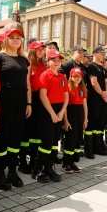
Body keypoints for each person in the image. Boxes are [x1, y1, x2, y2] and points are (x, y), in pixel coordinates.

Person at [0, 29, 32, 190]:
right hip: (3, 101)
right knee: (2, 137)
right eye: (12, 37)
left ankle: (12, 170)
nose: (15, 40)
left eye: (18, 38)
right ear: (6, 39)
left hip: (21, 103)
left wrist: (29, 103)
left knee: (16, 138)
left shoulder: (24, 60)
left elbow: (27, 83)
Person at [32, 49, 68, 183]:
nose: (57, 62)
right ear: (48, 61)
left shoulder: (63, 77)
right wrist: (52, 113)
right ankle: (38, 168)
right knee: (46, 141)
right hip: (48, 110)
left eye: (59, 60)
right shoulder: (45, 75)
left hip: (59, 110)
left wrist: (62, 112)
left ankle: (49, 166)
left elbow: (66, 96)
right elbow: (42, 96)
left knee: (55, 141)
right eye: (54, 60)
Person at [19, 39, 47, 174]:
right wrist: (28, 102)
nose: (41, 51)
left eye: (42, 49)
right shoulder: (28, 64)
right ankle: (23, 160)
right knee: (26, 131)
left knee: (37, 132)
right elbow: (27, 85)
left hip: (41, 99)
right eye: (38, 49)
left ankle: (34, 159)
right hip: (31, 99)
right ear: (32, 50)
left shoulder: (44, 65)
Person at [84, 46, 107, 158]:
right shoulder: (92, 67)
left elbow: (106, 82)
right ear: (95, 54)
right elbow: (94, 83)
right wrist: (102, 94)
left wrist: (106, 93)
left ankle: (97, 146)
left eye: (104, 53)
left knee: (100, 123)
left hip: (103, 98)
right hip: (94, 99)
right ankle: (88, 149)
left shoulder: (102, 68)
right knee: (91, 124)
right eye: (101, 53)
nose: (103, 55)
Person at [63, 67, 87, 173]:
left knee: (77, 139)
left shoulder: (82, 89)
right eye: (76, 76)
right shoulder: (67, 88)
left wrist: (85, 119)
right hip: (71, 113)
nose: (78, 78)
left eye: (80, 76)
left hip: (80, 114)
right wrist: (66, 121)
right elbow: (65, 106)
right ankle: (66, 163)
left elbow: (85, 105)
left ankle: (72, 162)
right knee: (70, 140)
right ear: (71, 77)